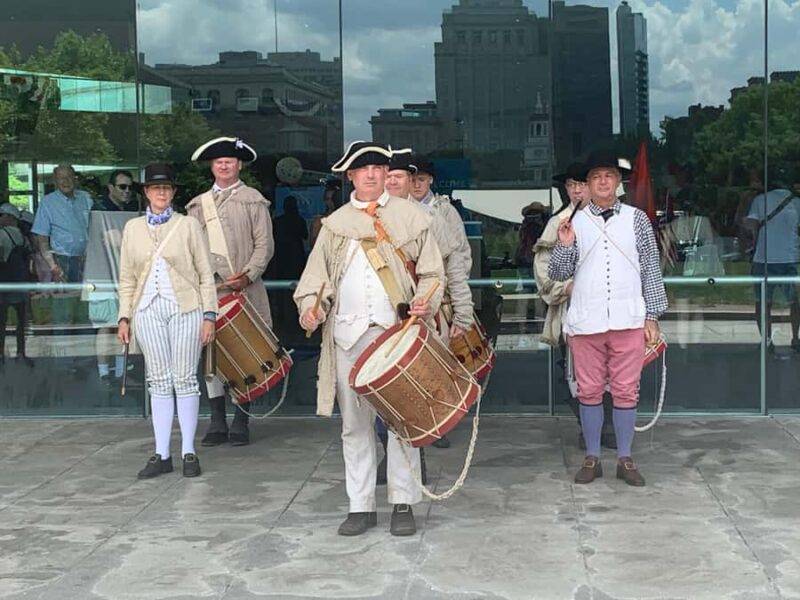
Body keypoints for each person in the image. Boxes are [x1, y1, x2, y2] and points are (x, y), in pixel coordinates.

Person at [294, 141, 444, 537]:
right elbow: (314, 281)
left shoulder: (412, 217)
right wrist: (311, 308)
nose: (373, 174)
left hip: (396, 337)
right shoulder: (335, 224)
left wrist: (425, 300)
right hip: (347, 337)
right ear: (351, 176)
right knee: (354, 427)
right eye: (364, 169)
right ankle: (360, 506)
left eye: (379, 167)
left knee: (402, 423)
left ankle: (403, 503)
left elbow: (432, 274)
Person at [549, 150, 668, 487]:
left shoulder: (636, 219)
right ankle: (592, 456)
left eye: (609, 176)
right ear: (587, 184)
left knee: (626, 390)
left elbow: (651, 267)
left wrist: (652, 315)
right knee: (588, 391)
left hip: (628, 318)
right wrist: (564, 244)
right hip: (586, 320)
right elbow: (557, 272)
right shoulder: (573, 221)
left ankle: (625, 457)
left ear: (618, 182)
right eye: (596, 177)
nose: (602, 181)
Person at [117, 164, 216, 479]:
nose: (161, 192)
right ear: (146, 192)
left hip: (185, 307)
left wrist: (209, 315)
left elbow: (205, 274)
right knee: (158, 381)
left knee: (184, 379)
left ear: (173, 192)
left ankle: (188, 450)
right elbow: (127, 277)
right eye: (155, 187)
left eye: (167, 188)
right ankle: (162, 453)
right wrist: (124, 316)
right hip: (147, 308)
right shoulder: (132, 228)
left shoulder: (188, 225)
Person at [186, 137, 274, 447]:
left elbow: (264, 245)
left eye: (230, 161)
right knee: (212, 354)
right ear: (212, 166)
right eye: (219, 161)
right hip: (211, 292)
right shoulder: (197, 205)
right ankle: (217, 420)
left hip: (245, 289)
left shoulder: (253, 200)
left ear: (239, 165)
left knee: (244, 353)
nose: (224, 165)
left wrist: (248, 275)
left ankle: (241, 420)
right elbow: (190, 249)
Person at [534, 163, 616, 449]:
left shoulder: (614, 218)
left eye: (582, 184)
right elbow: (543, 269)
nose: (577, 190)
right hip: (572, 312)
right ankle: (589, 427)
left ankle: (610, 426)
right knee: (576, 373)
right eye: (572, 185)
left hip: (610, 311)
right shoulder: (557, 223)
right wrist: (565, 287)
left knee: (612, 369)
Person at [400, 152, 475, 449]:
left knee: (437, 367)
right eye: (412, 179)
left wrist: (459, 305)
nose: (416, 184)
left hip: (438, 299)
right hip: (405, 300)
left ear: (430, 180)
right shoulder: (395, 210)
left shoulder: (444, 211)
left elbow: (460, 255)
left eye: (421, 179)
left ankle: (438, 424)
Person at [744, 165, 800, 353]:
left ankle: (767, 340)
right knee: (794, 302)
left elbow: (751, 226)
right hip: (788, 257)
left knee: (763, 303)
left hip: (764, 258)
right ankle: (795, 337)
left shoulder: (760, 200)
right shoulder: (796, 202)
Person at [32, 165, 93, 283]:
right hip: (61, 260)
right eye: (61, 178)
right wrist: (53, 266)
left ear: (75, 179)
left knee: (86, 294)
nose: (66, 181)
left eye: (69, 177)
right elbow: (42, 238)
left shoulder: (86, 198)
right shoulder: (47, 202)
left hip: (86, 258)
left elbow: (95, 226)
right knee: (67, 294)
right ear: (55, 181)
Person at [0, 203, 33, 366]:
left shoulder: (2, 234)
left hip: (4, 285)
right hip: (21, 284)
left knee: (1, 321)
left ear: (9, 217)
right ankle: (21, 353)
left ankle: (1, 354)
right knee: (22, 322)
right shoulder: (24, 236)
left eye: (2, 215)